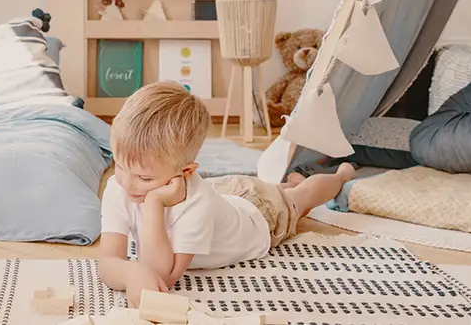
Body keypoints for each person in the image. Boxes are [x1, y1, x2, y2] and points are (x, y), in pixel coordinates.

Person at [96, 81, 355, 308]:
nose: (126, 183)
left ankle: (340, 175)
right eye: (119, 165)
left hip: (260, 213)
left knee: (303, 197)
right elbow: (108, 260)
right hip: (226, 193)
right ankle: (289, 182)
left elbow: (160, 275)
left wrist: (153, 203)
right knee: (275, 188)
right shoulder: (121, 187)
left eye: (144, 178)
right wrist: (130, 272)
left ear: (185, 171)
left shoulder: (197, 204)